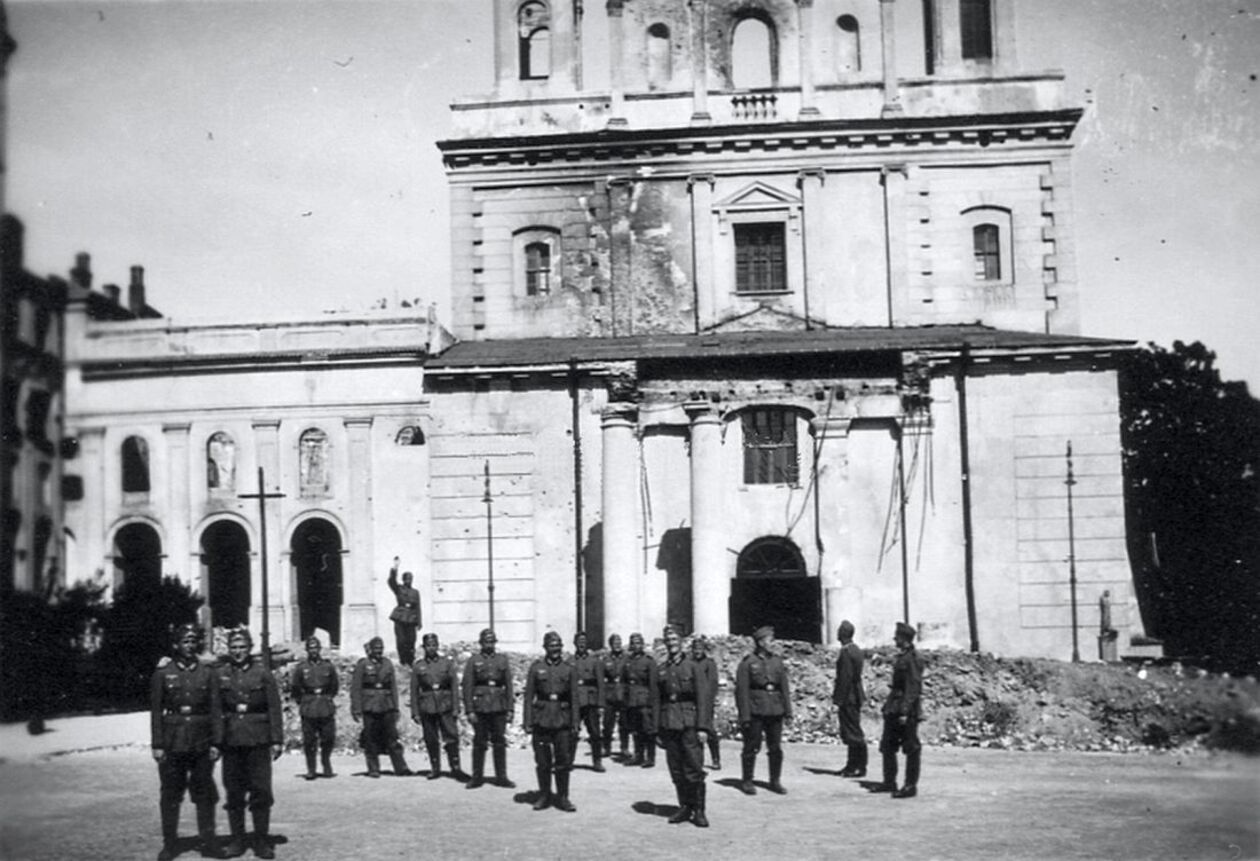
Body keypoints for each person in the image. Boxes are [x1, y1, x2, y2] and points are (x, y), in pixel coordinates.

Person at [150, 623, 227, 860]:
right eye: (185, 641)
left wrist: (216, 743)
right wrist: (158, 745)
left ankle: (209, 843)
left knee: (204, 793)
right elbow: (156, 712)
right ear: (176, 644)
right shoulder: (163, 673)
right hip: (173, 743)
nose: (190, 645)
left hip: (201, 742)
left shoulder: (208, 673)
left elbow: (215, 709)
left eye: (193, 640)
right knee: (171, 794)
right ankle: (170, 844)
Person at [217, 629, 283, 859]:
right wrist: (216, 741)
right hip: (232, 739)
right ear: (228, 649)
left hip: (258, 739)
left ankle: (261, 841)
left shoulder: (263, 673)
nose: (238, 651)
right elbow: (217, 709)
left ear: (250, 648)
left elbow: (274, 707)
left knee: (261, 791)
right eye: (234, 647)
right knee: (234, 792)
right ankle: (237, 840)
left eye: (242, 647)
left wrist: (276, 739)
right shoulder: (222, 674)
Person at [656, 629, 713, 828]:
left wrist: (703, 727)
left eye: (674, 639)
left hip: (690, 723)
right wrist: (657, 729)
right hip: (669, 723)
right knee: (677, 770)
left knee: (694, 768)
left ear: (681, 642)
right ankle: (684, 807)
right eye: (668, 640)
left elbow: (703, 699)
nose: (671, 643)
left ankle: (699, 810)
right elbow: (657, 700)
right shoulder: (662, 668)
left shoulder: (693, 666)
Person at [523, 631, 579, 811]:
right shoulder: (536, 668)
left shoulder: (569, 668)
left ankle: (563, 797)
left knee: (563, 761)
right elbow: (528, 696)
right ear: (545, 648)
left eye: (558, 646)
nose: (555, 649)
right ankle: (544, 795)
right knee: (543, 762)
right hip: (541, 720)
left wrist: (575, 722)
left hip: (562, 721)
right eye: (551, 646)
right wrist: (527, 721)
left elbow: (574, 698)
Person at [735, 625, 792, 795]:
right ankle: (747, 781)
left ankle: (775, 781)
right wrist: (744, 716)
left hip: (775, 710)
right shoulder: (748, 663)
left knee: (775, 747)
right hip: (755, 710)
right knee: (751, 746)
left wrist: (788, 711)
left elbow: (784, 688)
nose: (772, 644)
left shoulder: (777, 661)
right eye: (769, 640)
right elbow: (742, 691)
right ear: (760, 642)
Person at [350, 637, 412, 779]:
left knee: (392, 738)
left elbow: (393, 688)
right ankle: (373, 769)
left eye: (381, 649)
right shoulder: (363, 665)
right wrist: (356, 709)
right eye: (376, 649)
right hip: (370, 706)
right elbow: (356, 688)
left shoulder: (388, 664)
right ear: (370, 650)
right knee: (370, 738)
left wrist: (396, 708)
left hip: (386, 705)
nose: (379, 652)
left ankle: (400, 767)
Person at [461, 628, 516, 789]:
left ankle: (502, 776)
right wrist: (470, 710)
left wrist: (510, 709)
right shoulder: (474, 661)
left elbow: (509, 686)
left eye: (492, 641)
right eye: (486, 641)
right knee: (479, 742)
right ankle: (477, 777)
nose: (489, 644)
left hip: (499, 707)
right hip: (481, 708)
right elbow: (467, 687)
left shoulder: (502, 660)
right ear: (481, 643)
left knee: (499, 742)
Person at [409, 632, 467, 781]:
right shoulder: (418, 666)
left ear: (438, 645)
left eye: (434, 645)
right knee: (431, 738)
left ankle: (455, 768)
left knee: (451, 737)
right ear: (424, 647)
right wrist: (415, 712)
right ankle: (435, 768)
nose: (431, 648)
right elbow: (414, 690)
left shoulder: (446, 663)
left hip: (445, 704)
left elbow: (454, 686)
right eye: (428, 645)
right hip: (427, 706)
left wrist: (456, 707)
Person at [877, 622, 924, 798]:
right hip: (894, 706)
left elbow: (913, 688)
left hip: (906, 710)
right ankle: (889, 782)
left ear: (904, 639)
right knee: (887, 746)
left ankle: (910, 786)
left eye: (897, 636)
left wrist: (904, 711)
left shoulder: (914, 659)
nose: (894, 639)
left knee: (911, 747)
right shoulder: (902, 657)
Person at [290, 636, 339, 780]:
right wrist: (304, 701)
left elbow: (334, 686)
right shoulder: (301, 668)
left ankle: (325, 761)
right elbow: (296, 688)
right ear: (307, 650)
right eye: (311, 648)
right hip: (309, 707)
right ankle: (311, 769)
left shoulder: (328, 666)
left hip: (325, 705)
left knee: (328, 737)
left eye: (316, 648)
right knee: (309, 740)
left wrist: (328, 698)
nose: (313, 651)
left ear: (320, 649)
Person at [832, 619, 867, 777]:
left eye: (840, 632)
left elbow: (845, 678)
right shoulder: (856, 650)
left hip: (848, 697)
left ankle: (856, 766)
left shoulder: (846, 652)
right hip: (855, 695)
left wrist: (838, 700)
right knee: (854, 730)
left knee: (852, 732)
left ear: (843, 634)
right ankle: (854, 765)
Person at [569, 631, 605, 772]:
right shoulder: (569, 661)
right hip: (575, 701)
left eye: (584, 642)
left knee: (595, 733)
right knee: (573, 732)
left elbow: (601, 684)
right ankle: (568, 761)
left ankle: (597, 761)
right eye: (579, 642)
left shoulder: (594, 661)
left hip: (591, 701)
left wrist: (601, 704)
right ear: (575, 643)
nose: (582, 644)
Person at [621, 632, 657, 768]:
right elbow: (624, 682)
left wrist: (652, 703)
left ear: (642, 645)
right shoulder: (628, 661)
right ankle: (638, 755)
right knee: (635, 730)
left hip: (645, 701)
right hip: (631, 700)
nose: (636, 646)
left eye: (638, 643)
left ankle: (650, 757)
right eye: (633, 643)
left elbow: (653, 685)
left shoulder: (649, 661)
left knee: (648, 730)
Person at [688, 635, 721, 770]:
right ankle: (698, 760)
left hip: (706, 702)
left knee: (709, 731)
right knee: (695, 732)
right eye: (695, 649)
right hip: (692, 702)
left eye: (700, 648)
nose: (697, 651)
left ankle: (715, 758)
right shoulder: (689, 663)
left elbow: (712, 684)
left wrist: (709, 701)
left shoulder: (709, 663)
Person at [386, 557, 421, 666]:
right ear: (403, 579)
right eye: (406, 578)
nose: (408, 580)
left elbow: (418, 607)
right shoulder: (399, 589)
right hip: (400, 617)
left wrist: (419, 622)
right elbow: (391, 581)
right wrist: (395, 568)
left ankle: (410, 661)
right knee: (401, 641)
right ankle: (403, 660)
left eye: (410, 578)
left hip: (411, 618)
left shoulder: (415, 592)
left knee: (411, 641)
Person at [600, 634, 629, 760]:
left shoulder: (627, 658)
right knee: (608, 723)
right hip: (610, 695)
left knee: (625, 723)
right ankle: (606, 747)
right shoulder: (605, 659)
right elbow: (601, 678)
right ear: (610, 645)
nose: (617, 645)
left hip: (623, 694)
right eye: (614, 643)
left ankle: (624, 748)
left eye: (619, 642)